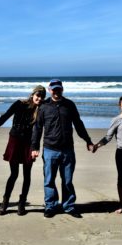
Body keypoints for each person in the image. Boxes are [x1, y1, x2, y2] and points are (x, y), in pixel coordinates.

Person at [0, 85, 46, 216]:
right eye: (38, 95)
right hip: (15, 141)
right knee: (13, 174)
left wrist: (35, 147)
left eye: (42, 96)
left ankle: (21, 204)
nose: (40, 98)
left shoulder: (42, 110)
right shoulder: (19, 104)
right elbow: (4, 118)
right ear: (33, 95)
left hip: (28, 144)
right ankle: (5, 202)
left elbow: (39, 131)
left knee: (27, 175)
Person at [31, 79, 95, 219]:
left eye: (58, 89)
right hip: (49, 150)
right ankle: (50, 206)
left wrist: (88, 141)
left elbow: (78, 124)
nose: (56, 91)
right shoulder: (44, 106)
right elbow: (37, 128)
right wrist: (34, 147)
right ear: (49, 90)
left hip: (67, 150)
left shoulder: (69, 105)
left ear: (62, 89)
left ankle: (69, 206)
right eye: (53, 89)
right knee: (49, 180)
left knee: (67, 181)